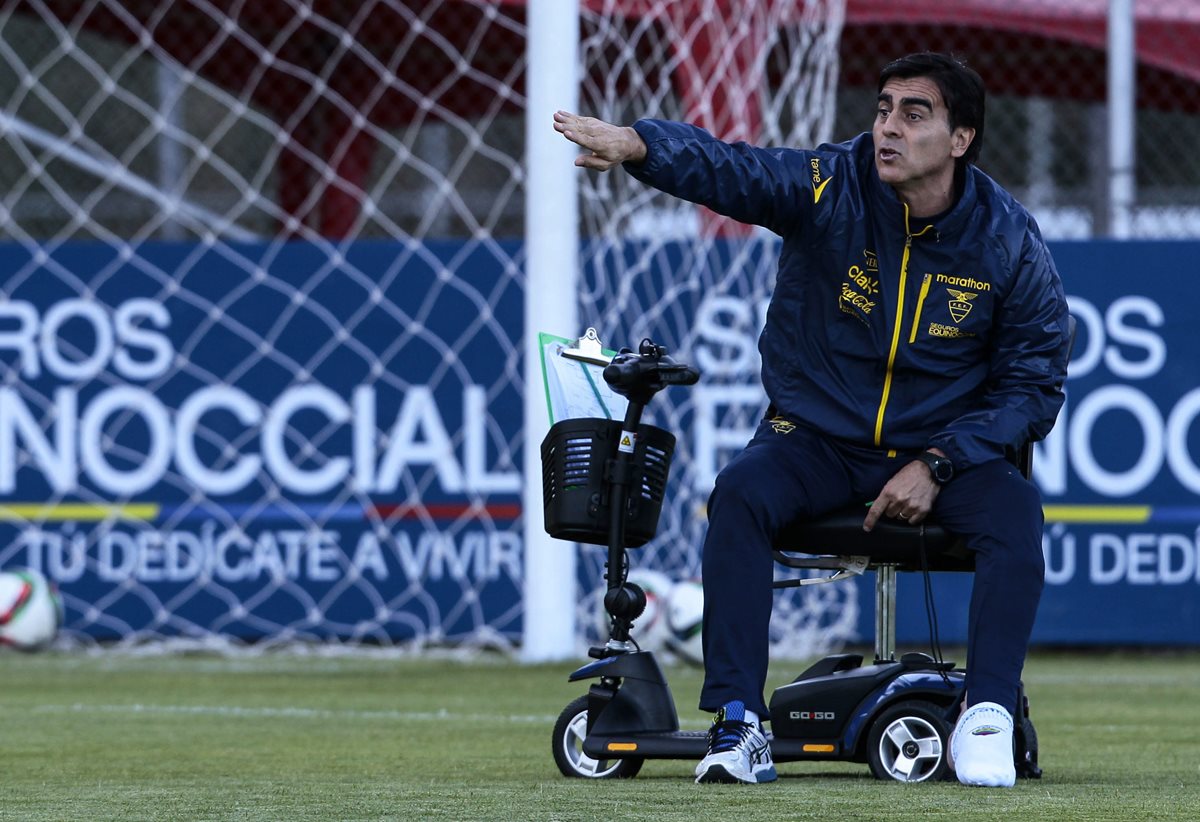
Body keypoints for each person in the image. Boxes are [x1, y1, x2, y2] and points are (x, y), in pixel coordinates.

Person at [554, 52, 1070, 788]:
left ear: (961, 139)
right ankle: (738, 722)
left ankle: (985, 715)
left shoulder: (1009, 238)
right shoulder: (832, 185)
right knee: (741, 493)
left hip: (940, 455)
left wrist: (939, 462)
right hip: (817, 442)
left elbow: (1034, 382)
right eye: (883, 109)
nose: (888, 128)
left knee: (1016, 511)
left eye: (914, 114)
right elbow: (734, 170)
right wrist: (641, 145)